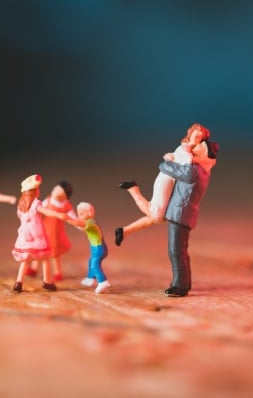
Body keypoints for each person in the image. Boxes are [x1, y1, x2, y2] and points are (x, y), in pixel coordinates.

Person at [116, 132, 218, 297]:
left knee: (175, 250)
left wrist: (168, 161)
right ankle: (184, 282)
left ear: (205, 153)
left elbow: (165, 167)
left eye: (200, 146)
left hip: (180, 213)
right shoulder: (202, 170)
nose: (195, 147)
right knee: (180, 250)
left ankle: (180, 285)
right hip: (183, 213)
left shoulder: (193, 171)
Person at [119, 123, 210, 231]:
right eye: (195, 135)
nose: (196, 139)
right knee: (157, 215)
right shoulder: (185, 148)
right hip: (166, 178)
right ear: (190, 134)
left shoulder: (191, 150)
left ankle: (124, 231)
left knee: (161, 217)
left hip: (174, 182)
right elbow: (185, 168)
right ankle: (133, 189)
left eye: (200, 137)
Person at [11, 174, 68, 293]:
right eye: (37, 189)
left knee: (26, 260)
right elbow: (46, 212)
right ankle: (47, 282)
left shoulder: (21, 205)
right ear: (33, 192)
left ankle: (18, 282)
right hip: (37, 236)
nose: (38, 191)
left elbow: (20, 218)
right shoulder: (36, 203)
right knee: (46, 258)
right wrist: (58, 214)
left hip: (24, 236)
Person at [26, 181, 75, 281]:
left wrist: (79, 224)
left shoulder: (66, 205)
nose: (55, 193)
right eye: (55, 190)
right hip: (43, 231)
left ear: (65, 196)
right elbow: (39, 209)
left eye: (60, 193)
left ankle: (57, 272)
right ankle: (34, 268)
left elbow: (72, 217)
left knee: (55, 254)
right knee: (40, 251)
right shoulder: (48, 200)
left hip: (56, 233)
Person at [62, 202, 111, 294]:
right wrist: (69, 214)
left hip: (99, 249)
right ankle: (90, 278)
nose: (80, 216)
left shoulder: (90, 222)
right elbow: (78, 226)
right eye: (78, 214)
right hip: (95, 248)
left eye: (82, 214)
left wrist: (66, 217)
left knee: (94, 265)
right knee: (91, 261)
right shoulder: (89, 222)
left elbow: (76, 223)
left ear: (89, 213)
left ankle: (103, 281)